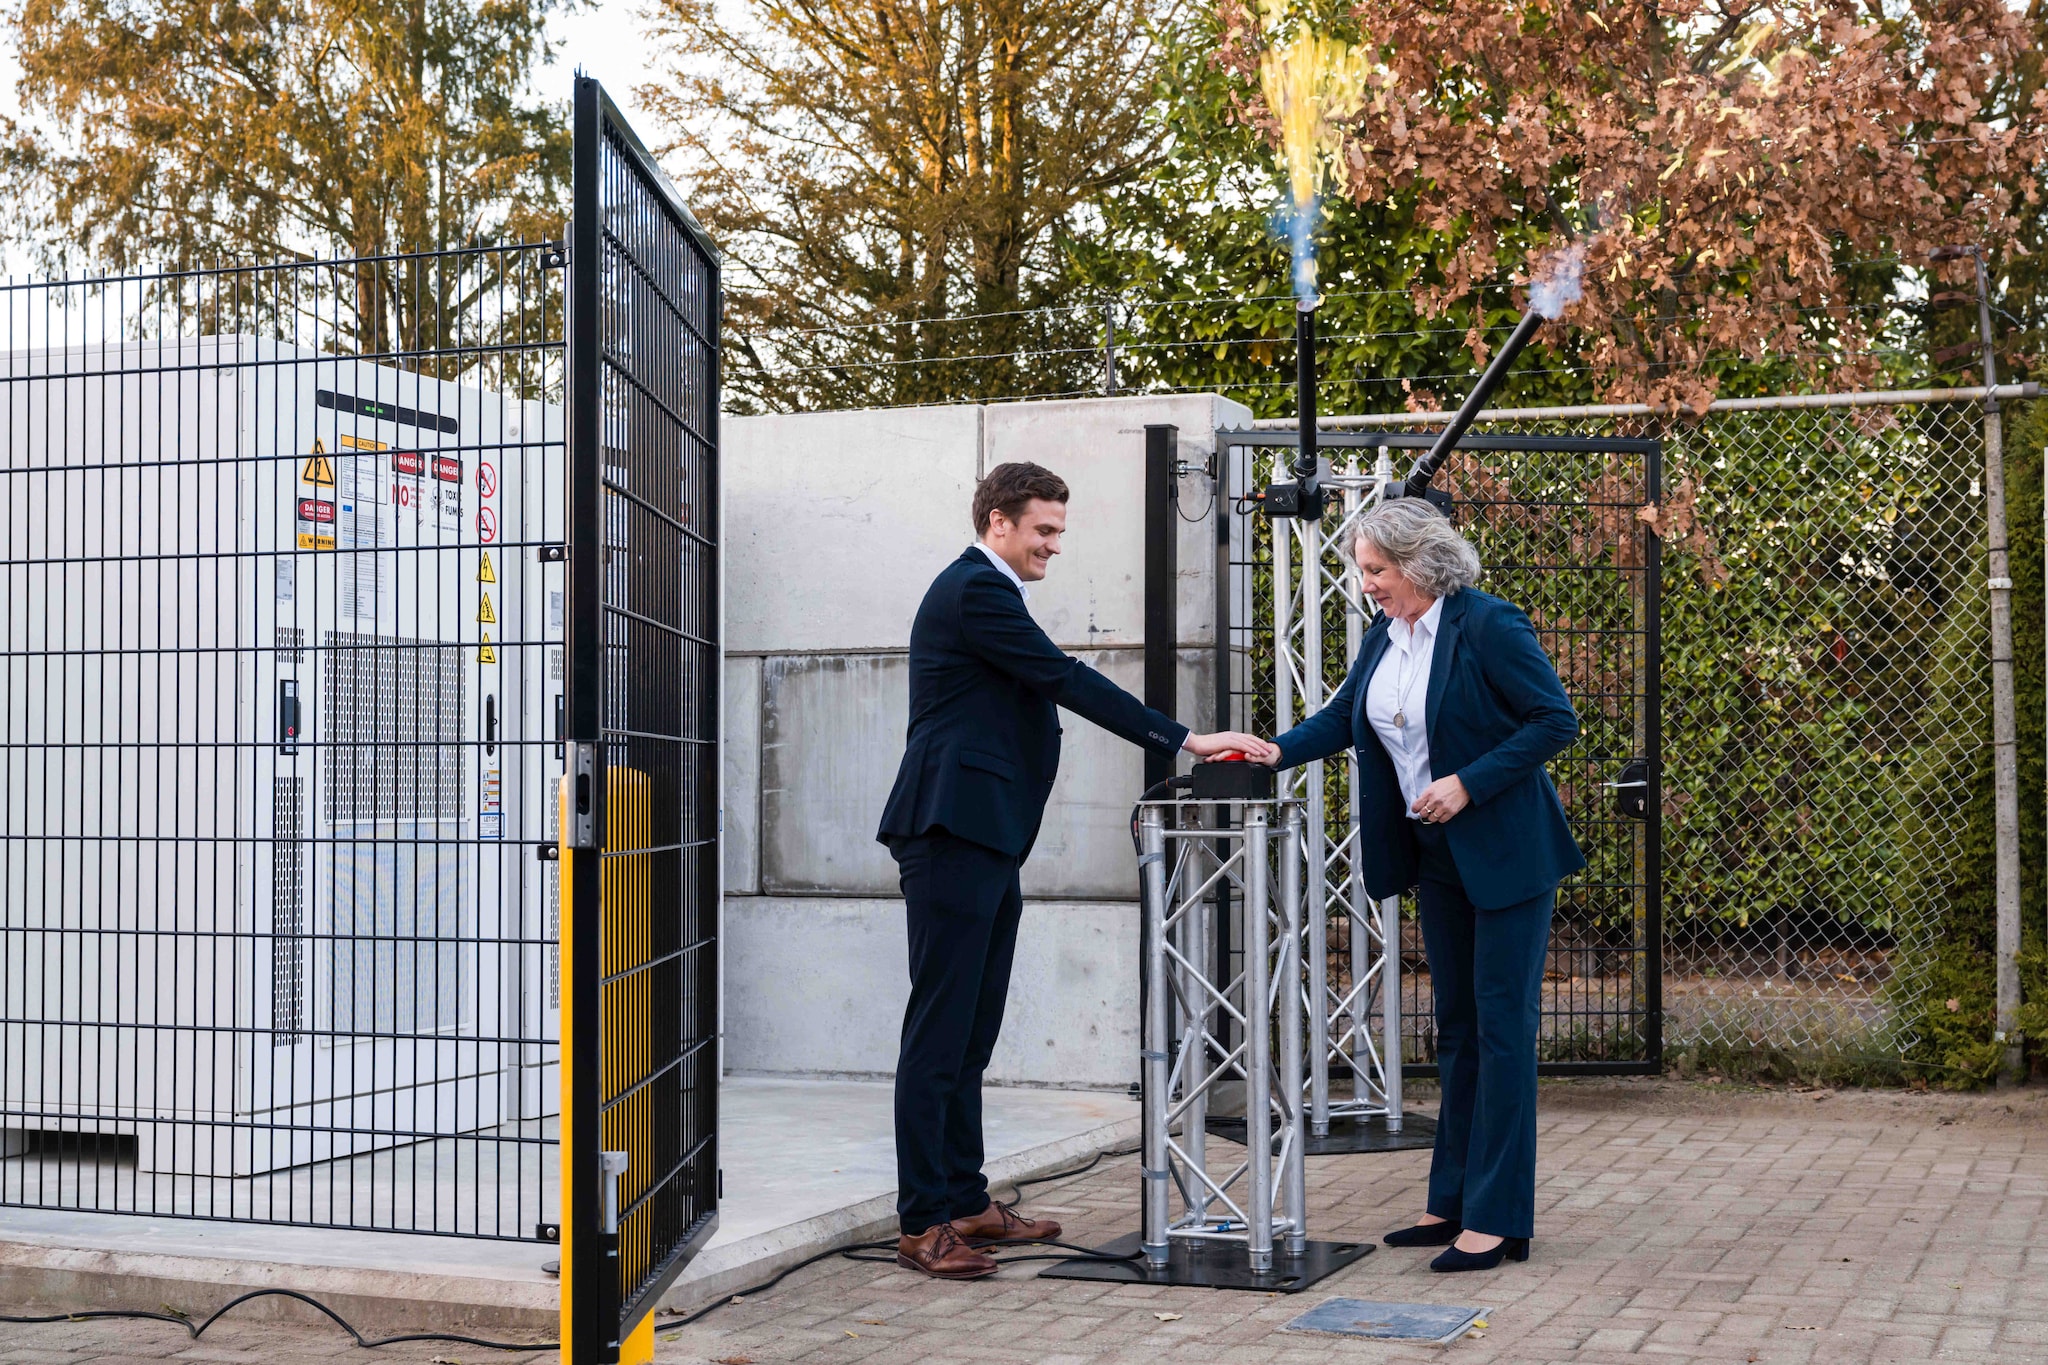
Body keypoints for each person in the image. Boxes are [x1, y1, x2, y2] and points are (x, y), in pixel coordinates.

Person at [877, 461, 1275, 1281]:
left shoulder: (987, 592)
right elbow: (1064, 677)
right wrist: (1185, 738)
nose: (1054, 545)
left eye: (1059, 530)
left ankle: (964, 1197)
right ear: (997, 521)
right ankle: (923, 1221)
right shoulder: (974, 591)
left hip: (984, 835)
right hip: (951, 830)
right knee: (941, 1030)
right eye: (1044, 531)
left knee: (974, 1027)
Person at [1258, 498, 1583, 1272]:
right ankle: (1452, 1201)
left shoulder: (1490, 624)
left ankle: (1499, 1219)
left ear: (1417, 564)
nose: (1365, 583)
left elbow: (1554, 720)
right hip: (1434, 855)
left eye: (1374, 569)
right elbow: (1343, 720)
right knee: (1457, 1029)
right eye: (1361, 570)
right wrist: (1272, 752)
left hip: (1506, 853)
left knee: (1505, 1030)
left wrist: (1467, 782)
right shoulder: (1384, 635)